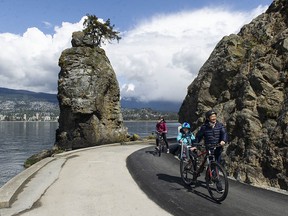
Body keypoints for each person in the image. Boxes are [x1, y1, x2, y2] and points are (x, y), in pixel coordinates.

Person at [196, 109, 228, 193]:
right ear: (208, 118)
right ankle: (218, 185)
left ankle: (208, 177)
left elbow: (224, 134)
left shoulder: (220, 125)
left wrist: (223, 140)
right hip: (209, 148)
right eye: (212, 116)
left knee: (215, 165)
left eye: (215, 116)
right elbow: (198, 137)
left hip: (218, 148)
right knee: (213, 166)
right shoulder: (204, 127)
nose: (214, 118)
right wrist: (194, 145)